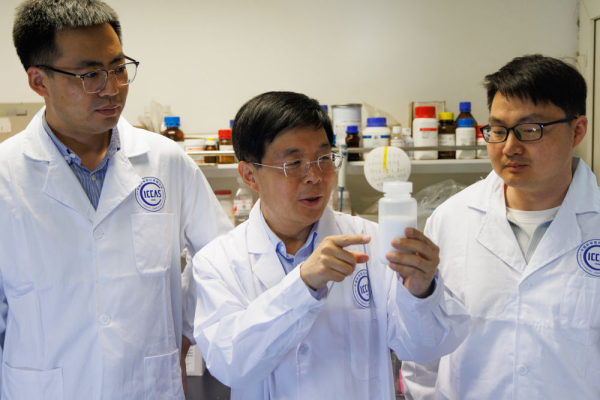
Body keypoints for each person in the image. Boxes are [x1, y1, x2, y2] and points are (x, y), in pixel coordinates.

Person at [0, 0, 232, 398]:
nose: (112, 88)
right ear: (39, 81)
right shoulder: (6, 176)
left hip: (147, 385)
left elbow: (221, 259)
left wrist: (185, 329)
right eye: (90, 74)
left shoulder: (165, 161)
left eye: (119, 68)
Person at [192, 91, 471, 399]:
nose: (315, 176)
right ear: (249, 175)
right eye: (293, 163)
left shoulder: (374, 241)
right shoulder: (218, 261)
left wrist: (421, 293)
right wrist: (302, 285)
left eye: (324, 159)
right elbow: (230, 364)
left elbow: (424, 349)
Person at [402, 54, 599, 399]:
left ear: (577, 130)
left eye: (530, 130)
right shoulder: (452, 219)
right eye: (497, 130)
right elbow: (423, 346)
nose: (509, 147)